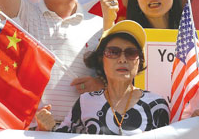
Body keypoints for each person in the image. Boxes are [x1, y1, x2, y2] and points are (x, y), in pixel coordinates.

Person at [36, 20, 169, 134]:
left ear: (139, 60)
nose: (122, 59)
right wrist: (44, 129)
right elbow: (61, 137)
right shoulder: (84, 102)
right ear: (101, 59)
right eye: (113, 52)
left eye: (131, 53)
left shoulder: (156, 104)